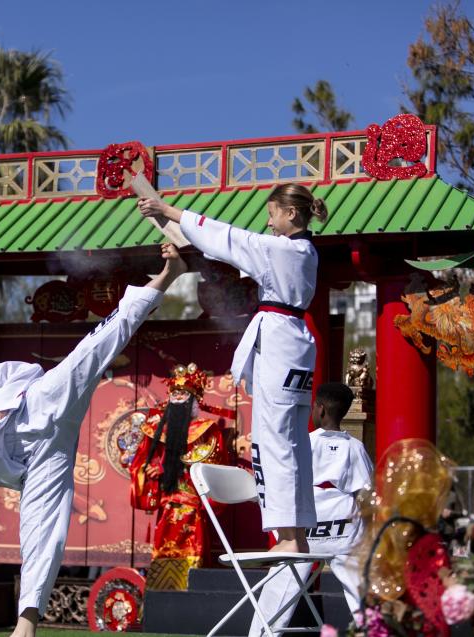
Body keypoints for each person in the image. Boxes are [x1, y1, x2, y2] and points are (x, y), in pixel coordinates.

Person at [0, 244, 187, 637]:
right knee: (40, 531)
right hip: (37, 463)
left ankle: (167, 275)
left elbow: (25, 371)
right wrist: (9, 474)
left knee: (92, 350)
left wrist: (3, 405)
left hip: (38, 408)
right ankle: (27, 623)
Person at [138, 184, 327, 553]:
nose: (269, 223)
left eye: (272, 214)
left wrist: (168, 211)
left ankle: (289, 538)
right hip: (291, 342)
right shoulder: (304, 251)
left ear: (291, 213)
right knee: (289, 439)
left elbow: (226, 237)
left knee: (275, 440)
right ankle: (296, 535)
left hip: (282, 342)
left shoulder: (282, 250)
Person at [247, 383, 373, 636]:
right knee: (364, 593)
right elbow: (366, 495)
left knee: (280, 588)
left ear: (321, 410)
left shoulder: (302, 443)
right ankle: (377, 631)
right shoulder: (355, 447)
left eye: (315, 406)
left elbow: (284, 482)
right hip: (345, 530)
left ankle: (262, 634)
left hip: (306, 525)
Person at [128, 362, 236, 589]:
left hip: (190, 506)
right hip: (167, 506)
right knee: (162, 551)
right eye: (174, 392)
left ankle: (189, 597)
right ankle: (161, 598)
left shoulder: (206, 430)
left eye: (183, 393)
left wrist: (173, 471)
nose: (177, 397)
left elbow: (210, 469)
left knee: (191, 552)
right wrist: (150, 472)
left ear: (194, 399)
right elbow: (141, 462)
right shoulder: (158, 430)